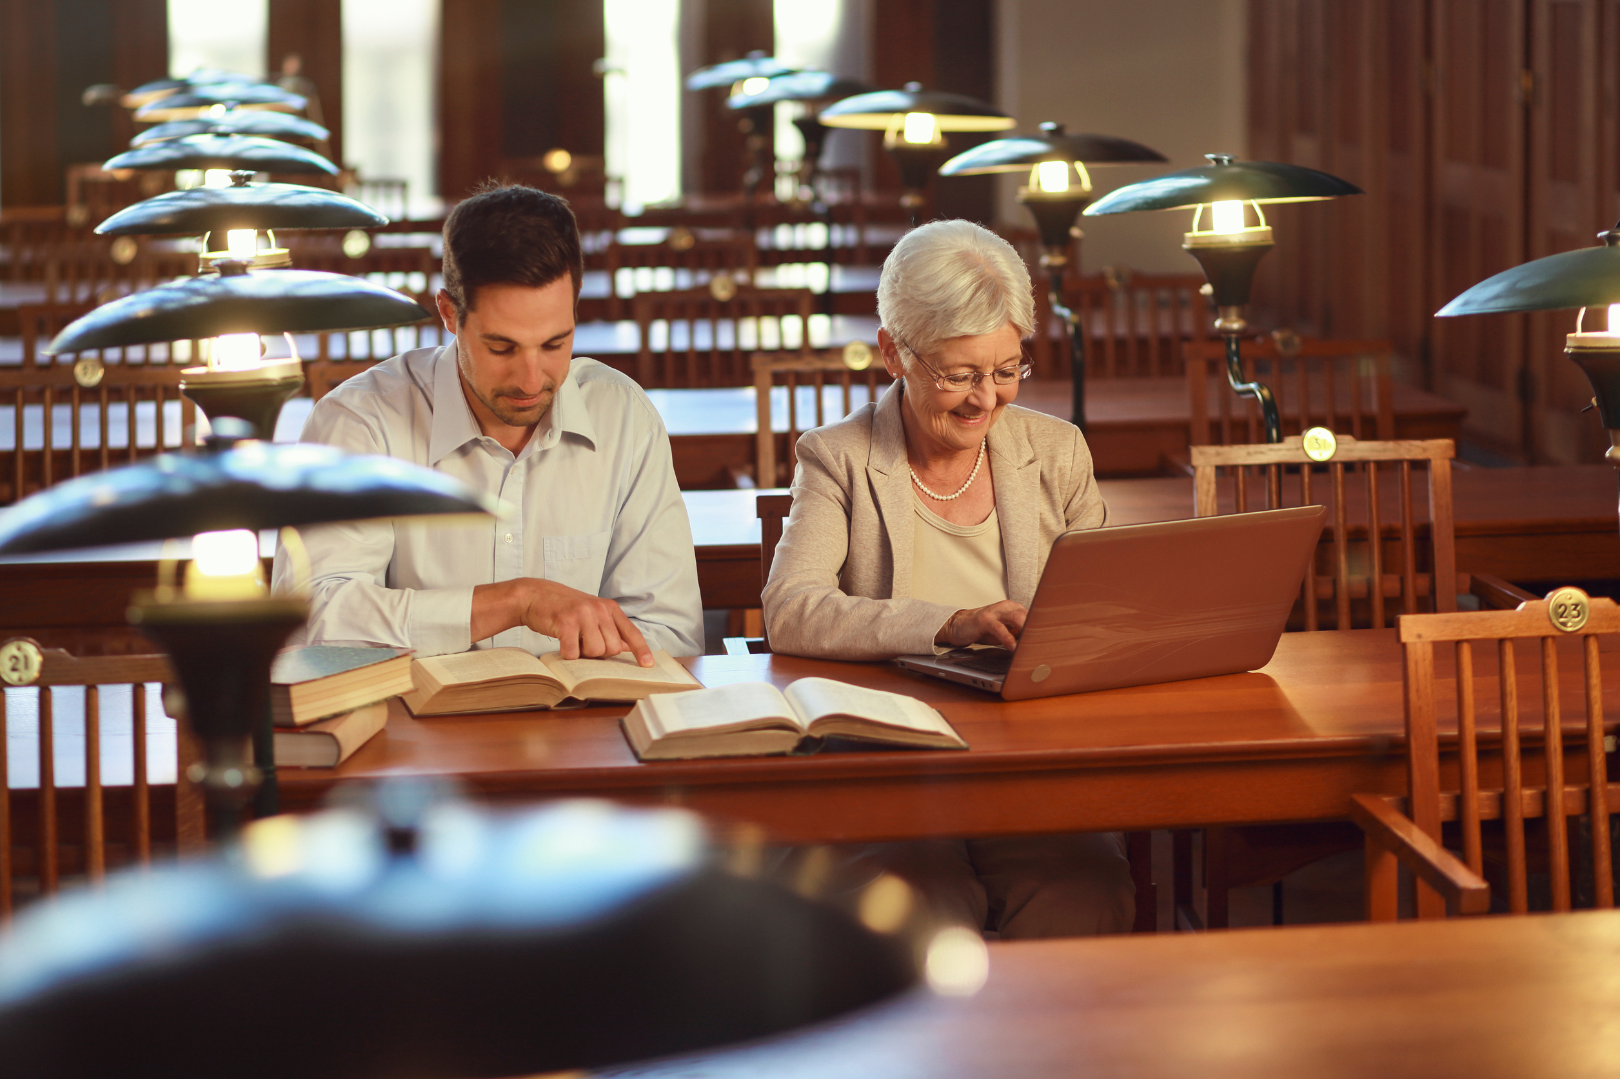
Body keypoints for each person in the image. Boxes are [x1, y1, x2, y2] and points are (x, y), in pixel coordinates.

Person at [761, 219, 1132, 937]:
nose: (985, 399)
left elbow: (1104, 610)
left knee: (1081, 897)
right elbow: (792, 610)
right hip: (887, 768)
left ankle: (1048, 1053)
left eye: (1006, 369)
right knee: (924, 910)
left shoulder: (1057, 452)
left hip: (1029, 765)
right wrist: (947, 623)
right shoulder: (837, 457)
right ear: (894, 352)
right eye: (958, 374)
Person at [273, 184, 703, 661]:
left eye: (555, 344)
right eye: (502, 348)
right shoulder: (360, 423)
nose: (532, 378)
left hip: (581, 728)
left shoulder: (624, 418)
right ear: (449, 314)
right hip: (409, 731)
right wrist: (515, 602)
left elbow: (672, 633)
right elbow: (310, 625)